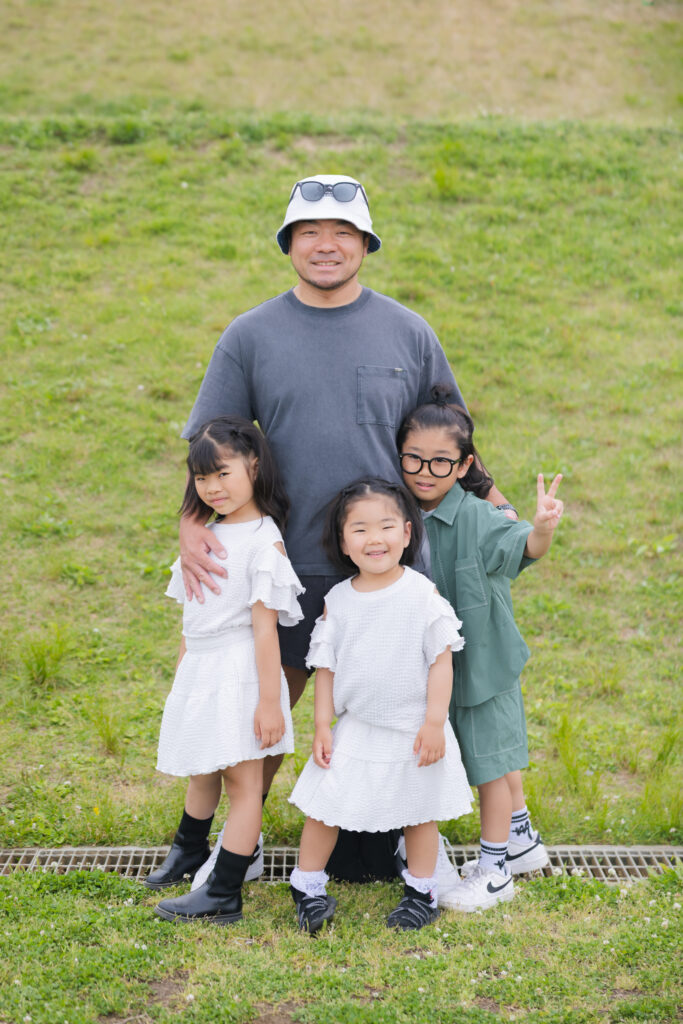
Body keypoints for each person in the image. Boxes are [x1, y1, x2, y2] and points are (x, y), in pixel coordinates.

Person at [178, 174, 515, 879]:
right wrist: (189, 523)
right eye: (309, 233)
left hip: (386, 568)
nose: (326, 245)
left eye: (342, 233)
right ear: (288, 244)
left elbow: (449, 433)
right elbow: (212, 443)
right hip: (285, 564)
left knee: (387, 708)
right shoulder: (249, 335)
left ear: (365, 244)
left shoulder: (408, 331)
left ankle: (389, 841)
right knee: (262, 713)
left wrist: (495, 502)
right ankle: (229, 850)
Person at [397, 388, 563, 912]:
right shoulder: (398, 517)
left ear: (465, 465)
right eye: (414, 458)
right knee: (442, 762)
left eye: (441, 461)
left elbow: (524, 547)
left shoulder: (477, 517)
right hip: (431, 672)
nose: (426, 472)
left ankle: (496, 870)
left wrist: (542, 528)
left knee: (491, 768)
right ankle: (457, 854)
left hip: (483, 669)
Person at [287, 478, 473, 932]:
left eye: (387, 526)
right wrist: (322, 724)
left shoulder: (421, 593)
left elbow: (441, 661)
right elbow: (325, 667)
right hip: (356, 726)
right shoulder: (337, 601)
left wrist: (434, 723)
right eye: (360, 529)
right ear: (343, 542)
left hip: (414, 727)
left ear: (407, 534)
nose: (375, 539)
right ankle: (307, 887)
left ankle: (421, 893)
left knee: (419, 811)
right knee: (324, 805)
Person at [145, 416, 304, 925]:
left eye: (223, 473)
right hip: (202, 667)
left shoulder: (263, 540)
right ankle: (188, 851)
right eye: (201, 477)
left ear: (253, 465)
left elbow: (265, 632)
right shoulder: (207, 535)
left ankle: (223, 891)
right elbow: (193, 617)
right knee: (203, 769)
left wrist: (269, 702)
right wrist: (182, 679)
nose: (212, 487)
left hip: (240, 672)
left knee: (242, 783)